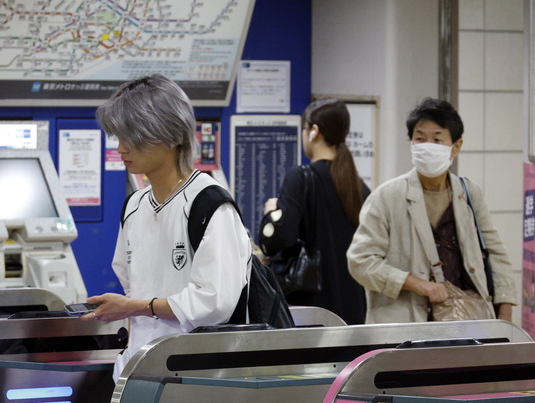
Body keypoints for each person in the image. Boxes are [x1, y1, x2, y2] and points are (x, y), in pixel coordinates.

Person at [84, 74, 252, 380]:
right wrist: (132, 313)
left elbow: (213, 303)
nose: (122, 148)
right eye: (119, 136)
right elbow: (130, 282)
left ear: (173, 136)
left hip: (199, 375)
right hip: (139, 370)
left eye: (133, 136)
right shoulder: (134, 206)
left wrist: (134, 306)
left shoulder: (209, 205)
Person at [347, 98, 517, 323]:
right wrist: (417, 284)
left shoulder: (469, 193)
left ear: (456, 147)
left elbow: (495, 252)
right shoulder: (386, 197)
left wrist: (504, 311)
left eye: (437, 139)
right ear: (411, 142)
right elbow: (360, 261)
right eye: (420, 138)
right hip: (404, 322)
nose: (427, 146)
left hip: (465, 321)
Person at [258, 99, 370, 324]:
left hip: (311, 310)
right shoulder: (358, 187)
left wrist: (271, 212)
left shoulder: (300, 177)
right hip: (353, 308)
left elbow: (279, 239)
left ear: (314, 131)